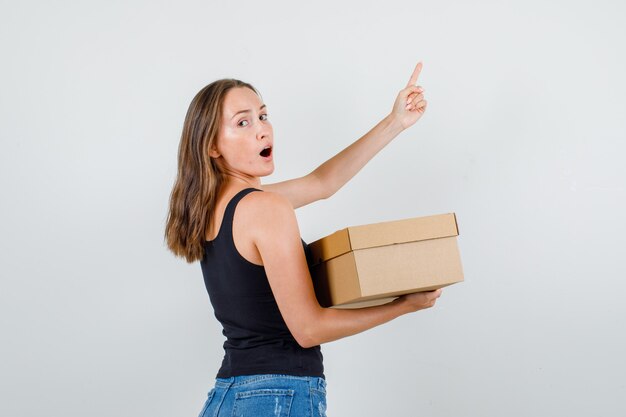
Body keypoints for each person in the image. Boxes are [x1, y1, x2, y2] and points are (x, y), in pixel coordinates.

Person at [164, 61, 442, 417]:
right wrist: (404, 305)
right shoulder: (265, 208)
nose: (262, 130)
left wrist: (395, 122)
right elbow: (309, 329)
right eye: (243, 122)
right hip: (276, 396)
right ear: (213, 146)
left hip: (228, 396)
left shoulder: (216, 209)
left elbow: (322, 183)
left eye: (263, 116)